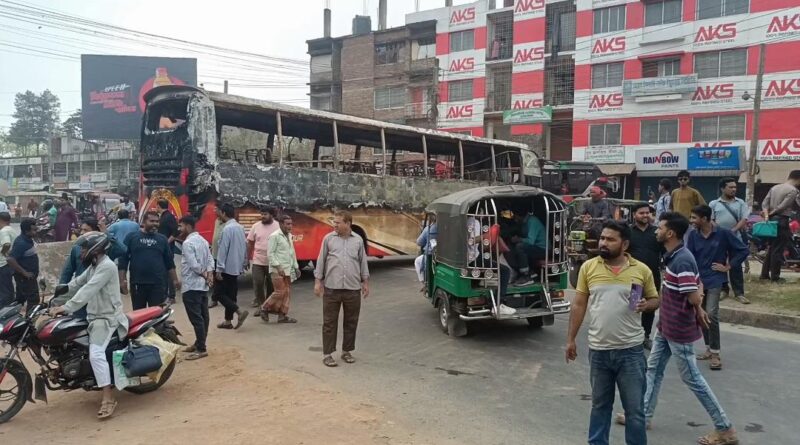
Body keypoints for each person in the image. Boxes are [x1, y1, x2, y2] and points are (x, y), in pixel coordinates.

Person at [617, 212, 738, 445]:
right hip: (666, 326)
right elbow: (696, 281)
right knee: (653, 368)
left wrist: (698, 307)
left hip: (678, 329)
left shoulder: (681, 258)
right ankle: (644, 415)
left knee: (693, 378)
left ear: (670, 233)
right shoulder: (675, 255)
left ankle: (725, 428)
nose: (656, 230)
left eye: (660, 227)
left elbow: (693, 293)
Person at [566, 220, 659, 445]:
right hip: (599, 352)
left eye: (610, 239)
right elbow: (579, 304)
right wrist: (571, 339)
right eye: (602, 238)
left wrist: (646, 305)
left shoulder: (641, 270)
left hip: (631, 353)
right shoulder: (589, 267)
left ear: (624, 244)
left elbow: (655, 299)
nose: (603, 243)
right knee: (600, 406)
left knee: (634, 411)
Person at [48, 232, 128, 420]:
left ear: (96, 249)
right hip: (93, 316)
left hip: (106, 318)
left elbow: (88, 290)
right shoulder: (94, 266)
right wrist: (53, 298)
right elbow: (76, 283)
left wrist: (66, 307)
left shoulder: (107, 266)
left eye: (84, 248)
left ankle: (108, 397)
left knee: (96, 354)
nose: (81, 252)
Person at [686, 205, 748, 371]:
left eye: (694, 218)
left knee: (712, 313)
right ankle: (708, 348)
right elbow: (689, 257)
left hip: (715, 280)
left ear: (705, 219)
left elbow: (743, 250)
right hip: (698, 280)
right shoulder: (693, 236)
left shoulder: (723, 234)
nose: (691, 221)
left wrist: (728, 266)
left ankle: (715, 353)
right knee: (701, 315)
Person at [314, 210, 370, 368]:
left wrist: (365, 283)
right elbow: (321, 260)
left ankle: (347, 351)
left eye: (338, 222)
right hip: (332, 289)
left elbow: (363, 263)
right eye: (334, 222)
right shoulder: (328, 239)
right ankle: (328, 354)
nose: (334, 225)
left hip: (352, 289)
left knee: (351, 322)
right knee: (329, 323)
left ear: (347, 223)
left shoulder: (358, 240)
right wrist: (318, 282)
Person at [118, 211, 180, 309]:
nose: (155, 224)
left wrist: (175, 280)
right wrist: (122, 280)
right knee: (139, 316)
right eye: (151, 221)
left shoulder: (162, 239)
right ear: (143, 222)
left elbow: (169, 263)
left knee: (157, 316)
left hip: (158, 284)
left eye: (157, 221)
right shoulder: (132, 237)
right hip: (137, 283)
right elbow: (123, 260)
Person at [627, 203, 663, 350]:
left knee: (649, 307)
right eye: (641, 213)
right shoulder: (628, 232)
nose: (645, 215)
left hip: (653, 277)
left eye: (647, 213)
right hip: (634, 279)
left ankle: (646, 336)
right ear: (634, 214)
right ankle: (632, 335)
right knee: (634, 306)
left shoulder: (656, 233)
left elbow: (665, 252)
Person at [178, 215, 214, 360]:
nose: (179, 229)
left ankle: (201, 348)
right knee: (204, 316)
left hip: (191, 285)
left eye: (180, 226)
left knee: (197, 318)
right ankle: (199, 343)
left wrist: (206, 275)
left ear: (187, 226)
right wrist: (209, 274)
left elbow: (194, 265)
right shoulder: (203, 240)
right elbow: (210, 259)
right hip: (202, 286)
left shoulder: (187, 243)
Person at [709, 178, 750, 304]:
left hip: (735, 238)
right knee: (719, 264)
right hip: (718, 238)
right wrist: (721, 231)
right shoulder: (714, 204)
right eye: (730, 187)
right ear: (722, 188)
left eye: (735, 187)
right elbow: (711, 220)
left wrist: (732, 231)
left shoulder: (740, 203)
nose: (733, 189)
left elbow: (744, 219)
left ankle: (739, 293)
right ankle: (723, 289)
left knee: (735, 264)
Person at [760, 170, 800, 283]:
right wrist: (772, 213)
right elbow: (783, 206)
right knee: (778, 249)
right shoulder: (793, 190)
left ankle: (764, 274)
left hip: (771, 220)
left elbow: (764, 203)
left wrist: (767, 214)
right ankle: (775, 277)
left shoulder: (775, 188)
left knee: (772, 248)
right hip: (781, 220)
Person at [214, 203, 249, 330]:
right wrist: (245, 261)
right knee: (231, 294)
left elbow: (223, 250)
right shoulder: (240, 227)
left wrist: (219, 268)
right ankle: (228, 321)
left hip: (226, 267)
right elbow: (245, 246)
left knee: (218, 294)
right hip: (236, 267)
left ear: (223, 213)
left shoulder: (227, 229)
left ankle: (239, 312)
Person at [262, 215, 300, 323]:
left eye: (291, 224)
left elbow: (292, 253)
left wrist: (296, 267)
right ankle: (264, 308)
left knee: (287, 292)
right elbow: (270, 254)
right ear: (281, 224)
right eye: (287, 224)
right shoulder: (274, 236)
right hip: (277, 270)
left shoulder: (289, 236)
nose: (290, 226)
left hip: (288, 269)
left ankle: (282, 315)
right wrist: (278, 267)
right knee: (280, 292)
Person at [247, 206, 279, 316]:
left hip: (273, 262)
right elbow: (250, 242)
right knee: (258, 282)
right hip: (258, 261)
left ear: (271, 215)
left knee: (271, 285)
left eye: (265, 214)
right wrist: (247, 258)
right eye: (261, 214)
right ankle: (261, 305)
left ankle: (266, 307)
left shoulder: (278, 226)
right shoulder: (256, 226)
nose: (262, 216)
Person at [7, 218, 39, 313]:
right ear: (26, 231)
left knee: (20, 299)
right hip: (25, 278)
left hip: (27, 277)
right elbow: (10, 259)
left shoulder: (28, 240)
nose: (36, 231)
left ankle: (11, 316)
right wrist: (24, 273)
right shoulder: (21, 243)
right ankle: (29, 321)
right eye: (34, 230)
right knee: (33, 300)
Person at [512, 212, 547, 285]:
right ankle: (531, 272)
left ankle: (526, 276)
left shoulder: (532, 221)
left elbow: (530, 241)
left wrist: (518, 239)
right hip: (535, 247)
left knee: (519, 247)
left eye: (516, 217)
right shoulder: (524, 222)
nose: (515, 219)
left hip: (542, 249)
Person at [157, 199, 179, 304]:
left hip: (168, 248)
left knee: (169, 270)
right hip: (163, 247)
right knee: (164, 271)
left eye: (157, 206)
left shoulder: (169, 217)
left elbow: (175, 232)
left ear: (159, 206)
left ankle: (172, 296)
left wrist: (166, 242)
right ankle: (165, 295)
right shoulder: (163, 217)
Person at [414, 214, 437, 285]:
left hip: (431, 256)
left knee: (417, 261)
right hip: (443, 255)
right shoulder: (448, 228)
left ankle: (424, 283)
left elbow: (419, 242)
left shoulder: (428, 229)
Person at [0, 212, 17, 307]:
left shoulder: (3, 231)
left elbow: (6, 244)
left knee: (4, 290)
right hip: (9, 263)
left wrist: (3, 254)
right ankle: (10, 307)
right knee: (8, 288)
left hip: (3, 264)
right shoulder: (11, 229)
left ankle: (3, 311)